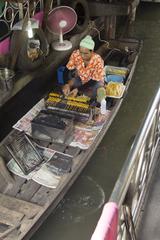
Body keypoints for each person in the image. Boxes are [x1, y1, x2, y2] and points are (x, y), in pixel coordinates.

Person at [62, 35, 106, 103]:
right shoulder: (76, 54)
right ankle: (80, 93)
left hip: (94, 82)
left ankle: (90, 95)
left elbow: (93, 81)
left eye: (85, 53)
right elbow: (66, 70)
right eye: (81, 52)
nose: (82, 56)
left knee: (98, 89)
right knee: (71, 81)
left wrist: (78, 89)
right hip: (81, 79)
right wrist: (66, 84)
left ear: (92, 52)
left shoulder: (98, 60)